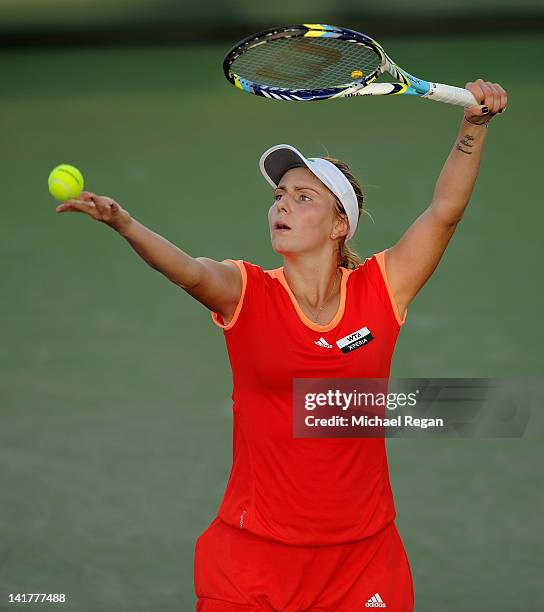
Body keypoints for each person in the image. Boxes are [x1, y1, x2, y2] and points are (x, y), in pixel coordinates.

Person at [56, 79, 507, 611]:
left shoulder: (383, 289)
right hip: (253, 559)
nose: (282, 206)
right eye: (278, 196)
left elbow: (443, 213)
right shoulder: (246, 290)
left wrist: (472, 128)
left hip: (361, 561)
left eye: (302, 196)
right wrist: (127, 225)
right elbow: (188, 272)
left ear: (341, 224)